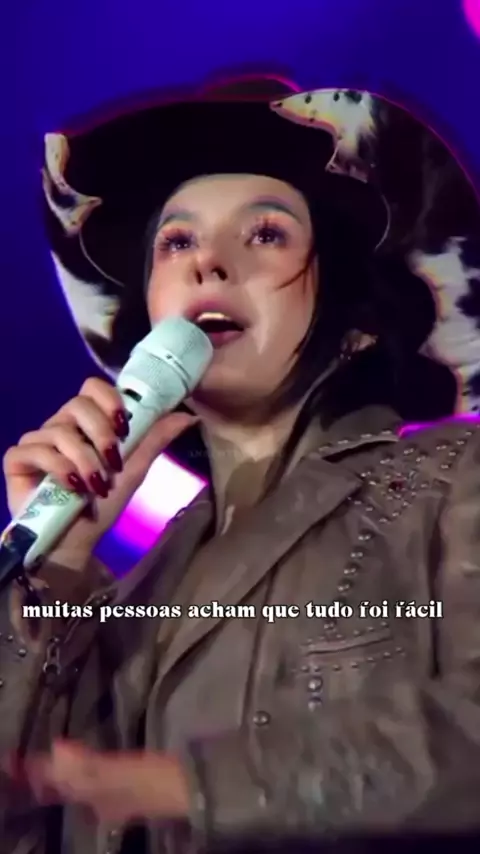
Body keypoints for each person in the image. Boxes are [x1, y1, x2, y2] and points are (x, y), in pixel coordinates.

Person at [1, 77, 480, 854]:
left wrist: (194, 787)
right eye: (176, 242)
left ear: (356, 324)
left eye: (265, 234)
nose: (209, 265)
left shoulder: (455, 480)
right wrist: (51, 568)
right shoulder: (124, 595)